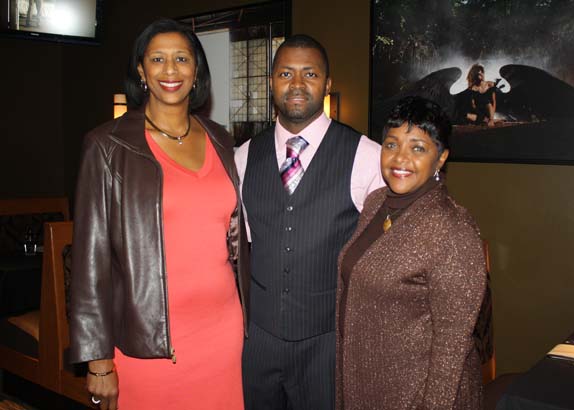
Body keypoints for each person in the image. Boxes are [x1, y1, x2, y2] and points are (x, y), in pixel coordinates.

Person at [69, 19, 249, 410]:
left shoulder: (221, 139)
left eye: (182, 59)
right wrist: (98, 360)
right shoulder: (107, 146)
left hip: (222, 332)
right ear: (141, 70)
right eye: (157, 59)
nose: (170, 70)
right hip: (147, 341)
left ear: (196, 70)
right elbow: (89, 262)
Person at [234, 34, 384, 410]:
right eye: (286, 73)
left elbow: (385, 260)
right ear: (271, 82)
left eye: (310, 74)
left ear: (327, 84)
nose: (297, 83)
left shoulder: (368, 156)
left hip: (326, 345)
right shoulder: (242, 156)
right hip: (257, 343)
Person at [336, 96, 486, 409]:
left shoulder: (453, 229)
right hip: (366, 383)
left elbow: (452, 346)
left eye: (418, 148)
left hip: (415, 395)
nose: (400, 158)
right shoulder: (376, 203)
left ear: (441, 158)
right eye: (391, 145)